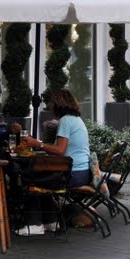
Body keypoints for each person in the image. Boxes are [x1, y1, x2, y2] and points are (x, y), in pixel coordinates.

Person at [22, 89, 93, 235]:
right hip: (82, 172)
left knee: (29, 178)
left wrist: (38, 144)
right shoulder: (76, 119)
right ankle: (51, 221)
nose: (50, 106)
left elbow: (60, 150)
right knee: (43, 178)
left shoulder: (66, 120)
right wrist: (39, 144)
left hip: (72, 174)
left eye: (52, 103)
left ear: (58, 104)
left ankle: (34, 224)